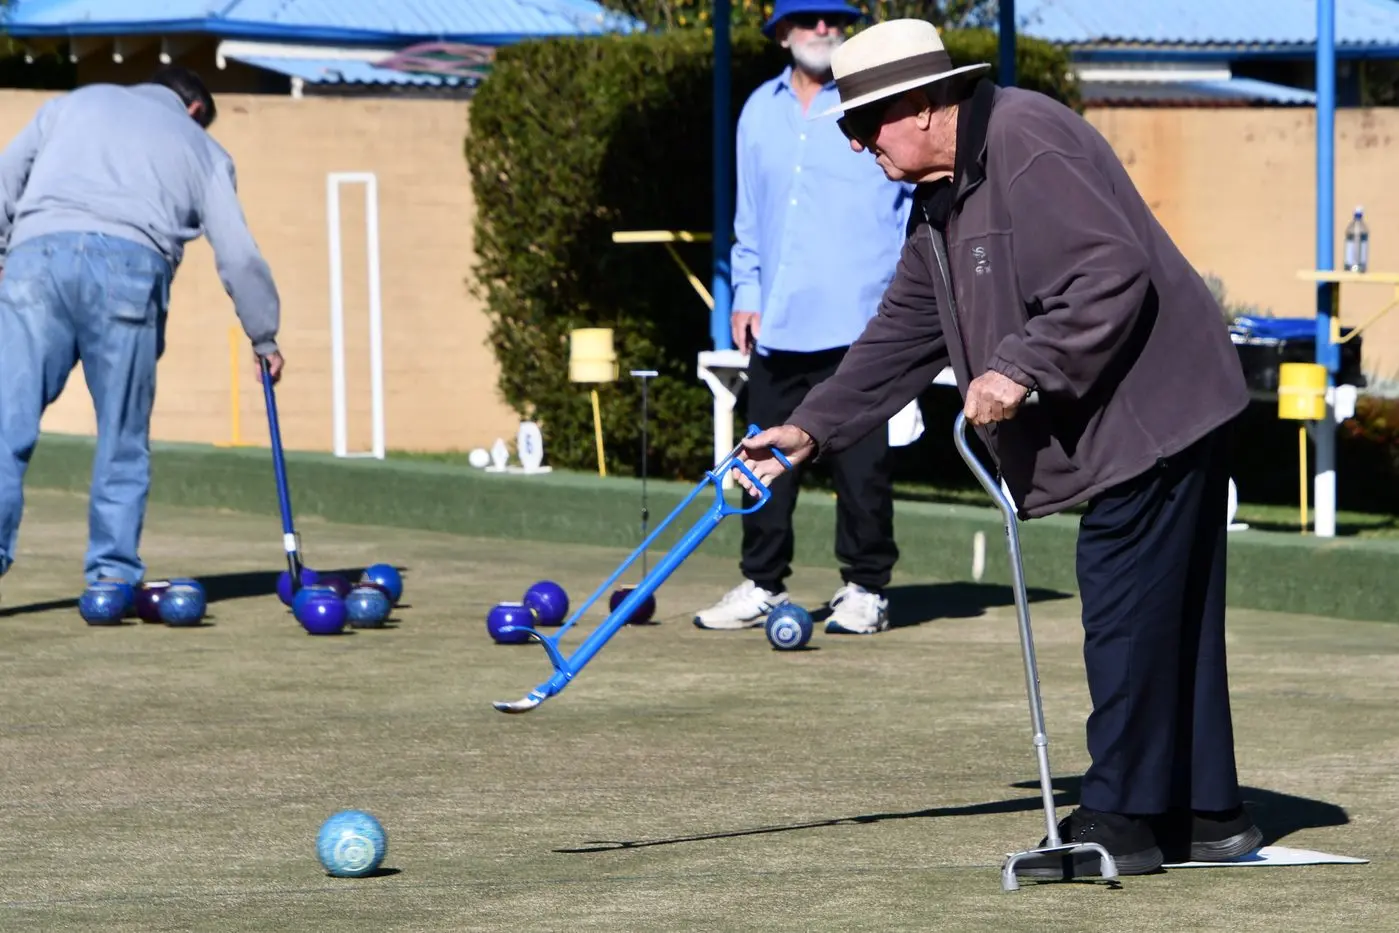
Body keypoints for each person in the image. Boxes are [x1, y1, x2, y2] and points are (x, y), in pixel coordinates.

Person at [733, 20, 1262, 879]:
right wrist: (808, 428)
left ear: (920, 106)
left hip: (1157, 406)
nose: (858, 143)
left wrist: (1020, 365)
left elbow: (1108, 270)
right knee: (1170, 618)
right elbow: (901, 332)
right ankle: (1206, 813)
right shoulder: (938, 198)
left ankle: (1122, 817)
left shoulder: (1025, 136)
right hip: (1152, 409)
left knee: (1126, 607)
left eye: (863, 123)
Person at [0, 65, 284, 592]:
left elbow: (6, 175)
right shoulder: (203, 148)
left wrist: (3, 253)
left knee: (5, 425)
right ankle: (111, 576)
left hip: (35, 259)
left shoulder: (73, 103)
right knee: (122, 435)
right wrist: (262, 334)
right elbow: (239, 255)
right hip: (129, 270)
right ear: (194, 109)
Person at [692, 0, 915, 636]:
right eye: (810, 17)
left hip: (862, 323)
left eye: (834, 18)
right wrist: (746, 290)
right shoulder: (757, 111)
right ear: (783, 32)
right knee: (759, 462)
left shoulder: (872, 103)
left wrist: (905, 304)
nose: (824, 29)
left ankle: (866, 589)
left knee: (863, 469)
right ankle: (762, 583)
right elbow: (749, 214)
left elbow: (910, 204)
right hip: (779, 323)